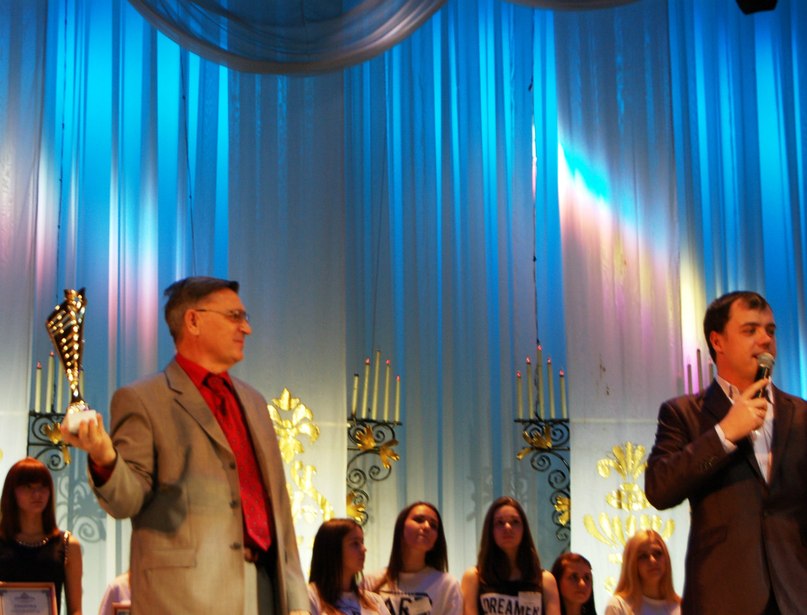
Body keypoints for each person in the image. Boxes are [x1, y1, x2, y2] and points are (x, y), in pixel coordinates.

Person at [60, 276, 309, 615]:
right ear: (193, 321)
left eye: (245, 317)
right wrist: (104, 456)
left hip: (265, 589)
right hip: (185, 598)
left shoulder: (253, 401)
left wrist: (296, 601)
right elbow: (126, 500)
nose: (246, 328)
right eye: (235, 316)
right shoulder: (143, 399)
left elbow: (278, 505)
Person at [645, 290, 807, 615]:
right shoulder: (685, 413)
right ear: (717, 341)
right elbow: (659, 488)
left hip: (795, 595)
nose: (765, 339)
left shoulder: (800, 414)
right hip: (724, 597)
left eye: (770, 331)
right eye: (750, 330)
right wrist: (724, 434)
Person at [0, 457, 83, 615]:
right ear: (12, 492)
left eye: (43, 486)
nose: (37, 494)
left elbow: (75, 610)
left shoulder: (68, 544)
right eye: (28, 487)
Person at [461, 496, 560, 615]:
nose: (507, 527)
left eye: (515, 522)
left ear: (524, 529)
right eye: (499, 522)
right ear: (490, 530)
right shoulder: (474, 577)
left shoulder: (545, 580)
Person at [365, 501, 463, 615]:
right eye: (419, 520)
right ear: (401, 527)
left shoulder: (448, 585)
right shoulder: (371, 581)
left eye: (433, 525)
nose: (426, 526)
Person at [308, 518, 390, 615]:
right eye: (355, 543)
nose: (364, 549)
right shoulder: (309, 596)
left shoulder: (374, 601)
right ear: (332, 550)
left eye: (362, 542)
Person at [603, 531, 679, 615]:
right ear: (631, 564)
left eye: (658, 553)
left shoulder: (681, 607)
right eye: (643, 556)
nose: (653, 560)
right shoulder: (618, 606)